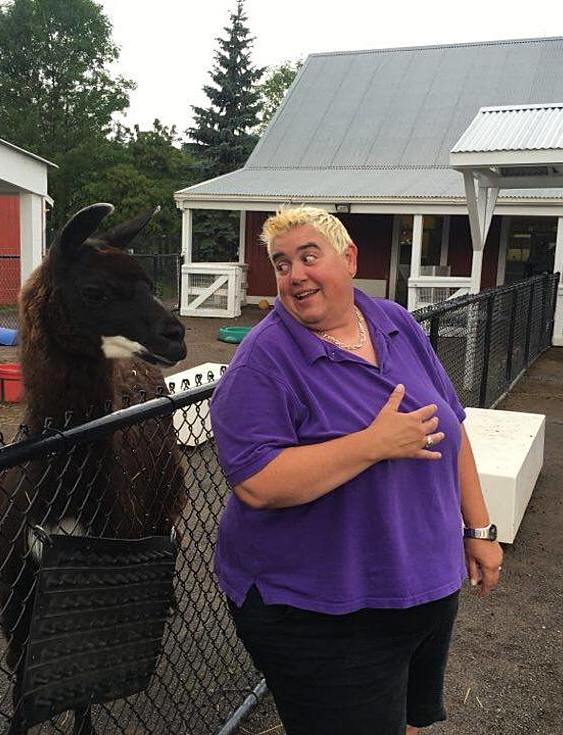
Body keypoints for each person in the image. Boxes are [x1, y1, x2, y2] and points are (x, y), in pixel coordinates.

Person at [210, 207, 503, 735]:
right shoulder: (263, 361)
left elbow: (452, 428)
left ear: (348, 259)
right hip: (324, 609)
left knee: (410, 720)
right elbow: (257, 482)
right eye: (281, 263)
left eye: (308, 256)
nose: (294, 274)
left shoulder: (395, 322)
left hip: (423, 586)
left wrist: (479, 529)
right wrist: (371, 445)